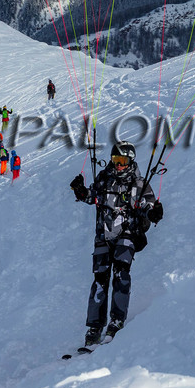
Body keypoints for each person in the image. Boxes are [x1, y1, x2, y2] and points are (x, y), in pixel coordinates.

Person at [70, 140, 163, 349]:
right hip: (103, 234)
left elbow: (146, 206)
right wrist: (81, 191)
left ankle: (116, 321)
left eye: (122, 160)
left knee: (121, 273)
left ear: (130, 161)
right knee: (100, 279)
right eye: (115, 160)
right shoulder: (105, 178)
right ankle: (95, 326)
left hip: (127, 233)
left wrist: (153, 213)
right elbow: (93, 197)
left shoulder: (139, 184)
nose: (119, 165)